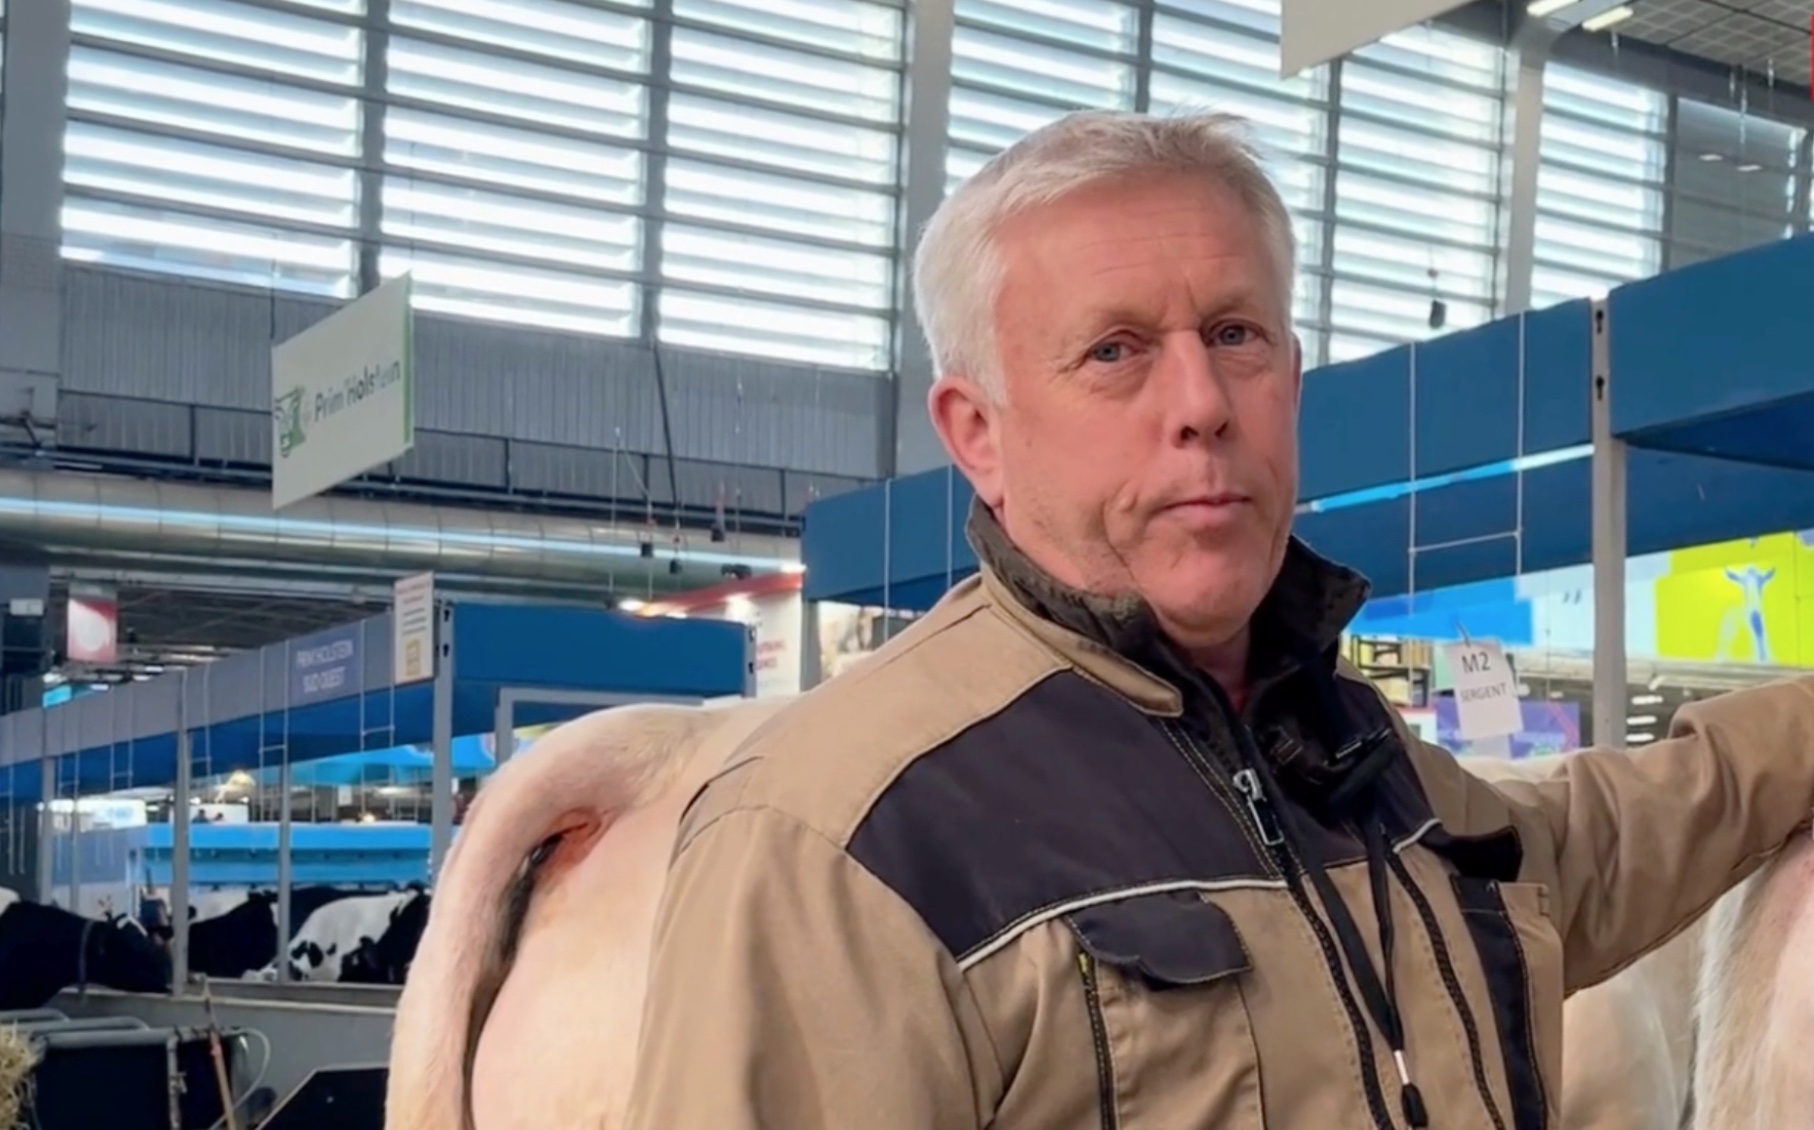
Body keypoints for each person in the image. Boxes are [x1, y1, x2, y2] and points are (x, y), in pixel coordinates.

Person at [622, 109, 1814, 1129]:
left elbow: (1578, 852)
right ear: (974, 432)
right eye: (1114, 351)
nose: (1199, 403)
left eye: (1234, 335)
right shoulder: (836, 839)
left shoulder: (1349, 760)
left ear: (1290, 380)